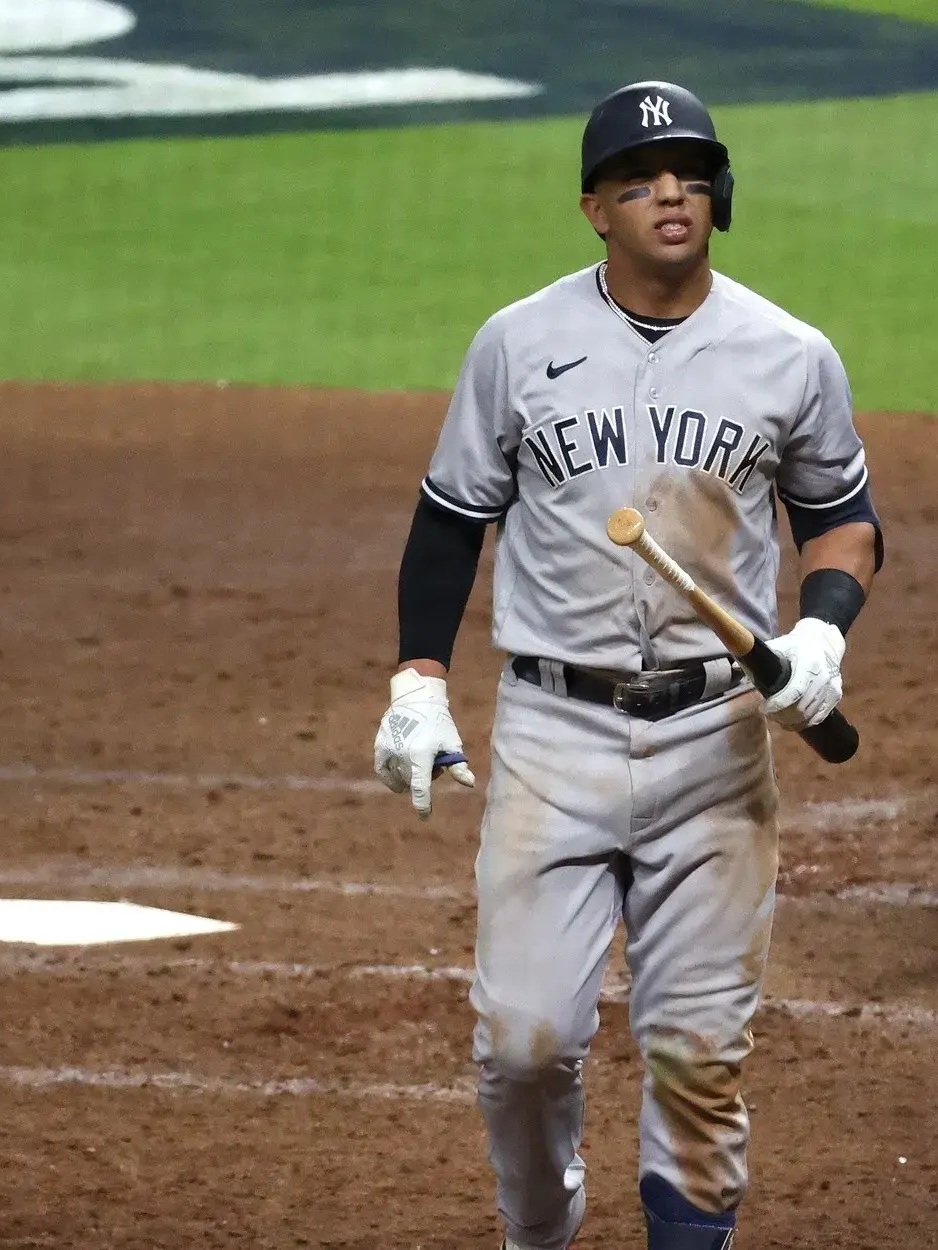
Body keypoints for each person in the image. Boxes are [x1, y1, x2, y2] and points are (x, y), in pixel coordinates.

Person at [371, 80, 882, 1250]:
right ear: (593, 206)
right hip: (554, 735)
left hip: (717, 741)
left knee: (698, 1053)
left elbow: (842, 520)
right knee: (523, 1041)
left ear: (720, 200)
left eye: (691, 177)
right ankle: (537, 1230)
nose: (670, 195)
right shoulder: (518, 342)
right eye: (642, 178)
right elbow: (452, 517)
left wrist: (822, 628)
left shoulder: (789, 355)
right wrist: (415, 680)